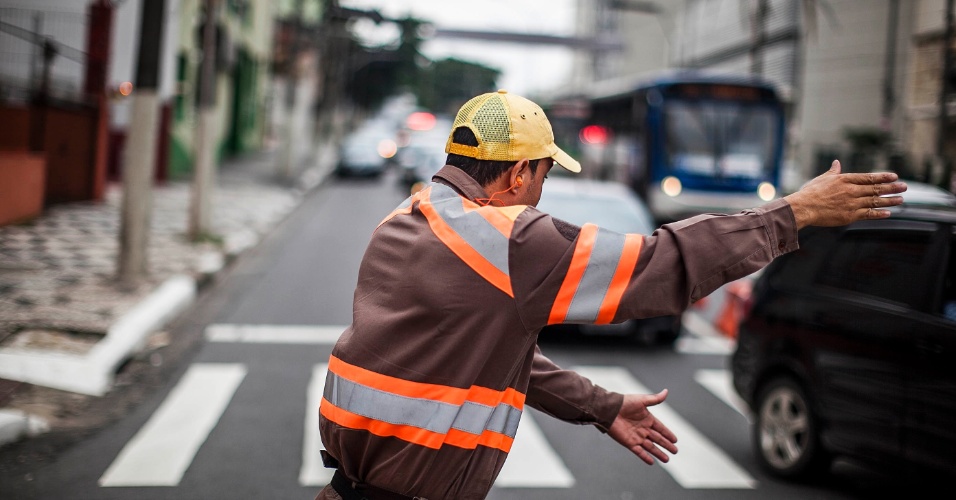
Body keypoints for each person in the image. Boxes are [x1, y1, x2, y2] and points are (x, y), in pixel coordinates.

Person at [315, 90, 906, 500]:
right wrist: (791, 215)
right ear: (520, 173)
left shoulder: (405, 217)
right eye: (544, 177)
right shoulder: (512, 239)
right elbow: (659, 265)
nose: (541, 194)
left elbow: (476, 349)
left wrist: (598, 405)